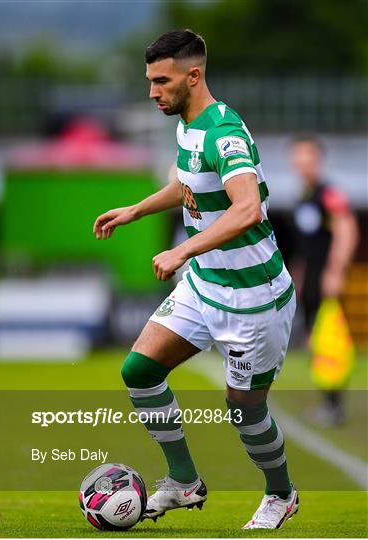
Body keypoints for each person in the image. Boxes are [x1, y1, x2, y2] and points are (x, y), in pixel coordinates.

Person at [94, 29, 298, 530]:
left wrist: (182, 249)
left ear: (194, 76)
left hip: (254, 299)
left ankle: (281, 493)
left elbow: (247, 208)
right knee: (139, 371)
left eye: (161, 81)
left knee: (244, 411)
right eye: (149, 81)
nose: (152, 92)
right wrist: (136, 210)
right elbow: (186, 184)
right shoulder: (187, 125)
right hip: (205, 284)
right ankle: (183, 481)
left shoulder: (223, 131)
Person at [289, 135, 359, 425]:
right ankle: (328, 404)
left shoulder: (328, 193)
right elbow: (306, 246)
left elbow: (347, 227)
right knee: (313, 342)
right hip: (312, 279)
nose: (303, 162)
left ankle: (334, 405)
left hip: (326, 278)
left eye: (309, 157)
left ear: (318, 160)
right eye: (299, 157)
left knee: (330, 342)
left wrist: (336, 270)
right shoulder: (302, 197)